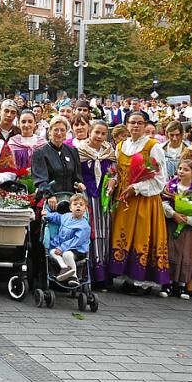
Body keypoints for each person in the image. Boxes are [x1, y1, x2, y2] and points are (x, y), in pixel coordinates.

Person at [106, 112, 170, 292]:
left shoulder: (152, 146)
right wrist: (114, 181)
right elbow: (116, 172)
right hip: (124, 199)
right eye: (132, 122)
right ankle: (125, 275)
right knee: (123, 235)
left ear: (145, 125)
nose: (136, 126)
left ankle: (139, 280)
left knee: (142, 236)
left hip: (144, 200)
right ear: (126, 124)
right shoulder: (121, 145)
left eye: (140, 123)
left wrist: (137, 187)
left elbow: (159, 179)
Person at [76, 121, 116, 284]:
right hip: (86, 196)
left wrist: (114, 180)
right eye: (96, 132)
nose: (99, 136)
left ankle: (102, 275)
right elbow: (76, 173)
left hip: (104, 197)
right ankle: (87, 272)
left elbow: (114, 171)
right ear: (90, 132)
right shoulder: (80, 150)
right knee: (88, 231)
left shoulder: (110, 151)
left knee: (103, 233)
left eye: (103, 133)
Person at [163, 158, 192, 300]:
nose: (181, 172)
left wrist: (189, 219)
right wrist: (174, 214)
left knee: (185, 253)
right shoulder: (170, 186)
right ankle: (167, 283)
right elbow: (163, 202)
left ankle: (181, 285)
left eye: (186, 170)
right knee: (171, 251)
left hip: (187, 227)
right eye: (180, 168)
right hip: (172, 224)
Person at [31, 117, 84, 199]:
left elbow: (76, 177)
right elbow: (41, 181)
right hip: (49, 199)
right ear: (49, 132)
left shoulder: (72, 151)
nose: (59, 133)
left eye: (62, 130)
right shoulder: (40, 153)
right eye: (56, 130)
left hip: (70, 198)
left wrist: (79, 184)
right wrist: (50, 196)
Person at [43, 194, 91, 283]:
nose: (78, 206)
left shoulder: (84, 226)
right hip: (62, 247)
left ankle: (74, 276)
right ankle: (65, 268)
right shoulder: (66, 216)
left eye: (81, 205)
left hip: (77, 250)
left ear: (85, 209)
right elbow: (58, 217)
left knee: (67, 254)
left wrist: (62, 248)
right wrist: (48, 214)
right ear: (70, 208)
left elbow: (77, 241)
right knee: (52, 252)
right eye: (75, 204)